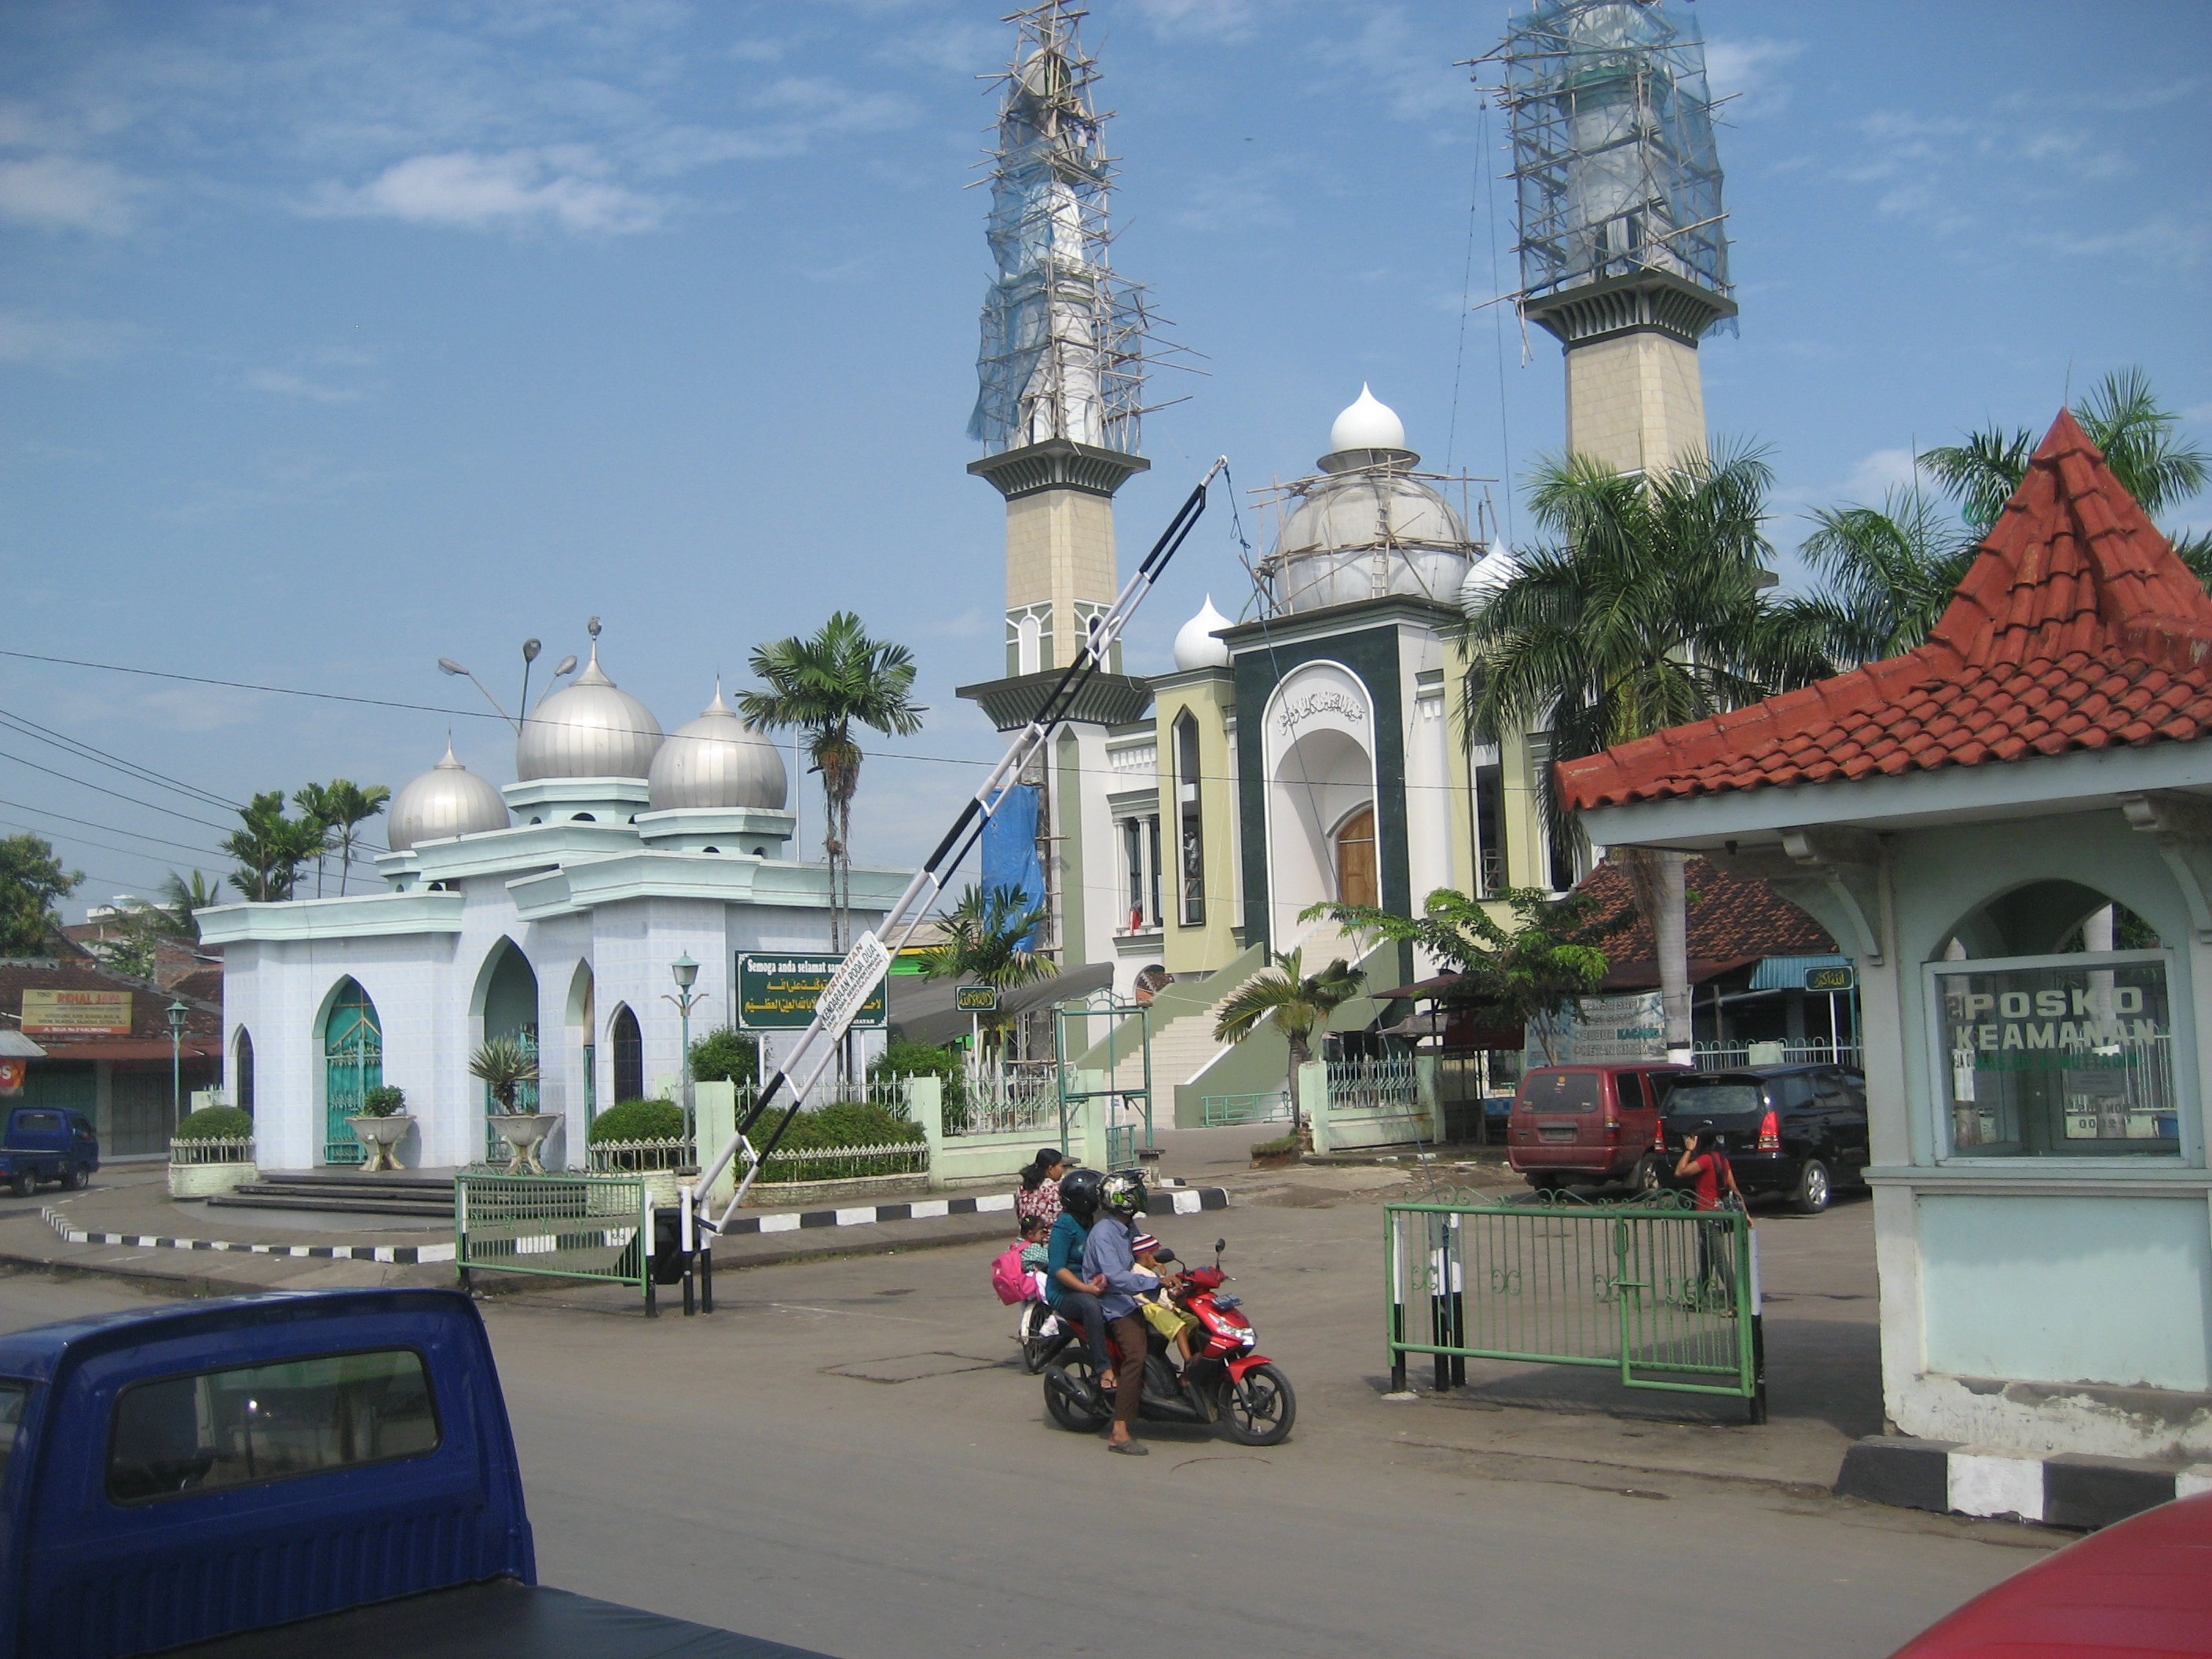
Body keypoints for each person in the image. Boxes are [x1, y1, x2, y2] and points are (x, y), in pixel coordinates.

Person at [1081, 1170, 1155, 1455]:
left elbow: (1140, 1256)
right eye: (1136, 1192)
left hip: (1132, 1297)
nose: (1141, 1197)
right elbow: (1116, 1277)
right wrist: (1153, 1282)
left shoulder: (1128, 1226)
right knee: (1136, 1354)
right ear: (1121, 1198)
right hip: (1113, 1304)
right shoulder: (1104, 1234)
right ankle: (1119, 1431)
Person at [1044, 1166, 1110, 1381]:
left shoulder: (1093, 1221)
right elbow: (1058, 1269)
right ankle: (1104, 1368)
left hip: (1092, 1285)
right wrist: (1086, 1288)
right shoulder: (1065, 1226)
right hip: (1065, 1292)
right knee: (1090, 1306)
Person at [1675, 1126, 1749, 1308]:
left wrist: (1688, 1151)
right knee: (1706, 1258)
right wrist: (1746, 1213)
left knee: (1719, 1260)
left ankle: (1737, 1302)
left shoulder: (1706, 1160)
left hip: (1706, 1213)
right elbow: (1734, 1189)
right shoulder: (1721, 1160)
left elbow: (1680, 1172)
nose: (1689, 1140)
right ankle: (1699, 1298)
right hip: (1719, 1213)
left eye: (1692, 1138)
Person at [1130, 1232, 1197, 1372]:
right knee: (1180, 1327)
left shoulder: (1149, 1272)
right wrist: (1171, 1307)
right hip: (1152, 1308)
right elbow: (1157, 1297)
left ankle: (1193, 1352)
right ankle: (1189, 1362)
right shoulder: (1139, 1272)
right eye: (1156, 1255)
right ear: (1148, 1255)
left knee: (1193, 1321)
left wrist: (1164, 1276)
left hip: (1160, 1305)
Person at [1015, 1148, 1070, 1228]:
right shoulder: (1056, 1190)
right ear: (1050, 1169)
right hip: (1050, 1239)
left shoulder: (1022, 1188)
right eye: (1061, 1166)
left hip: (1026, 1237)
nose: (1063, 1170)